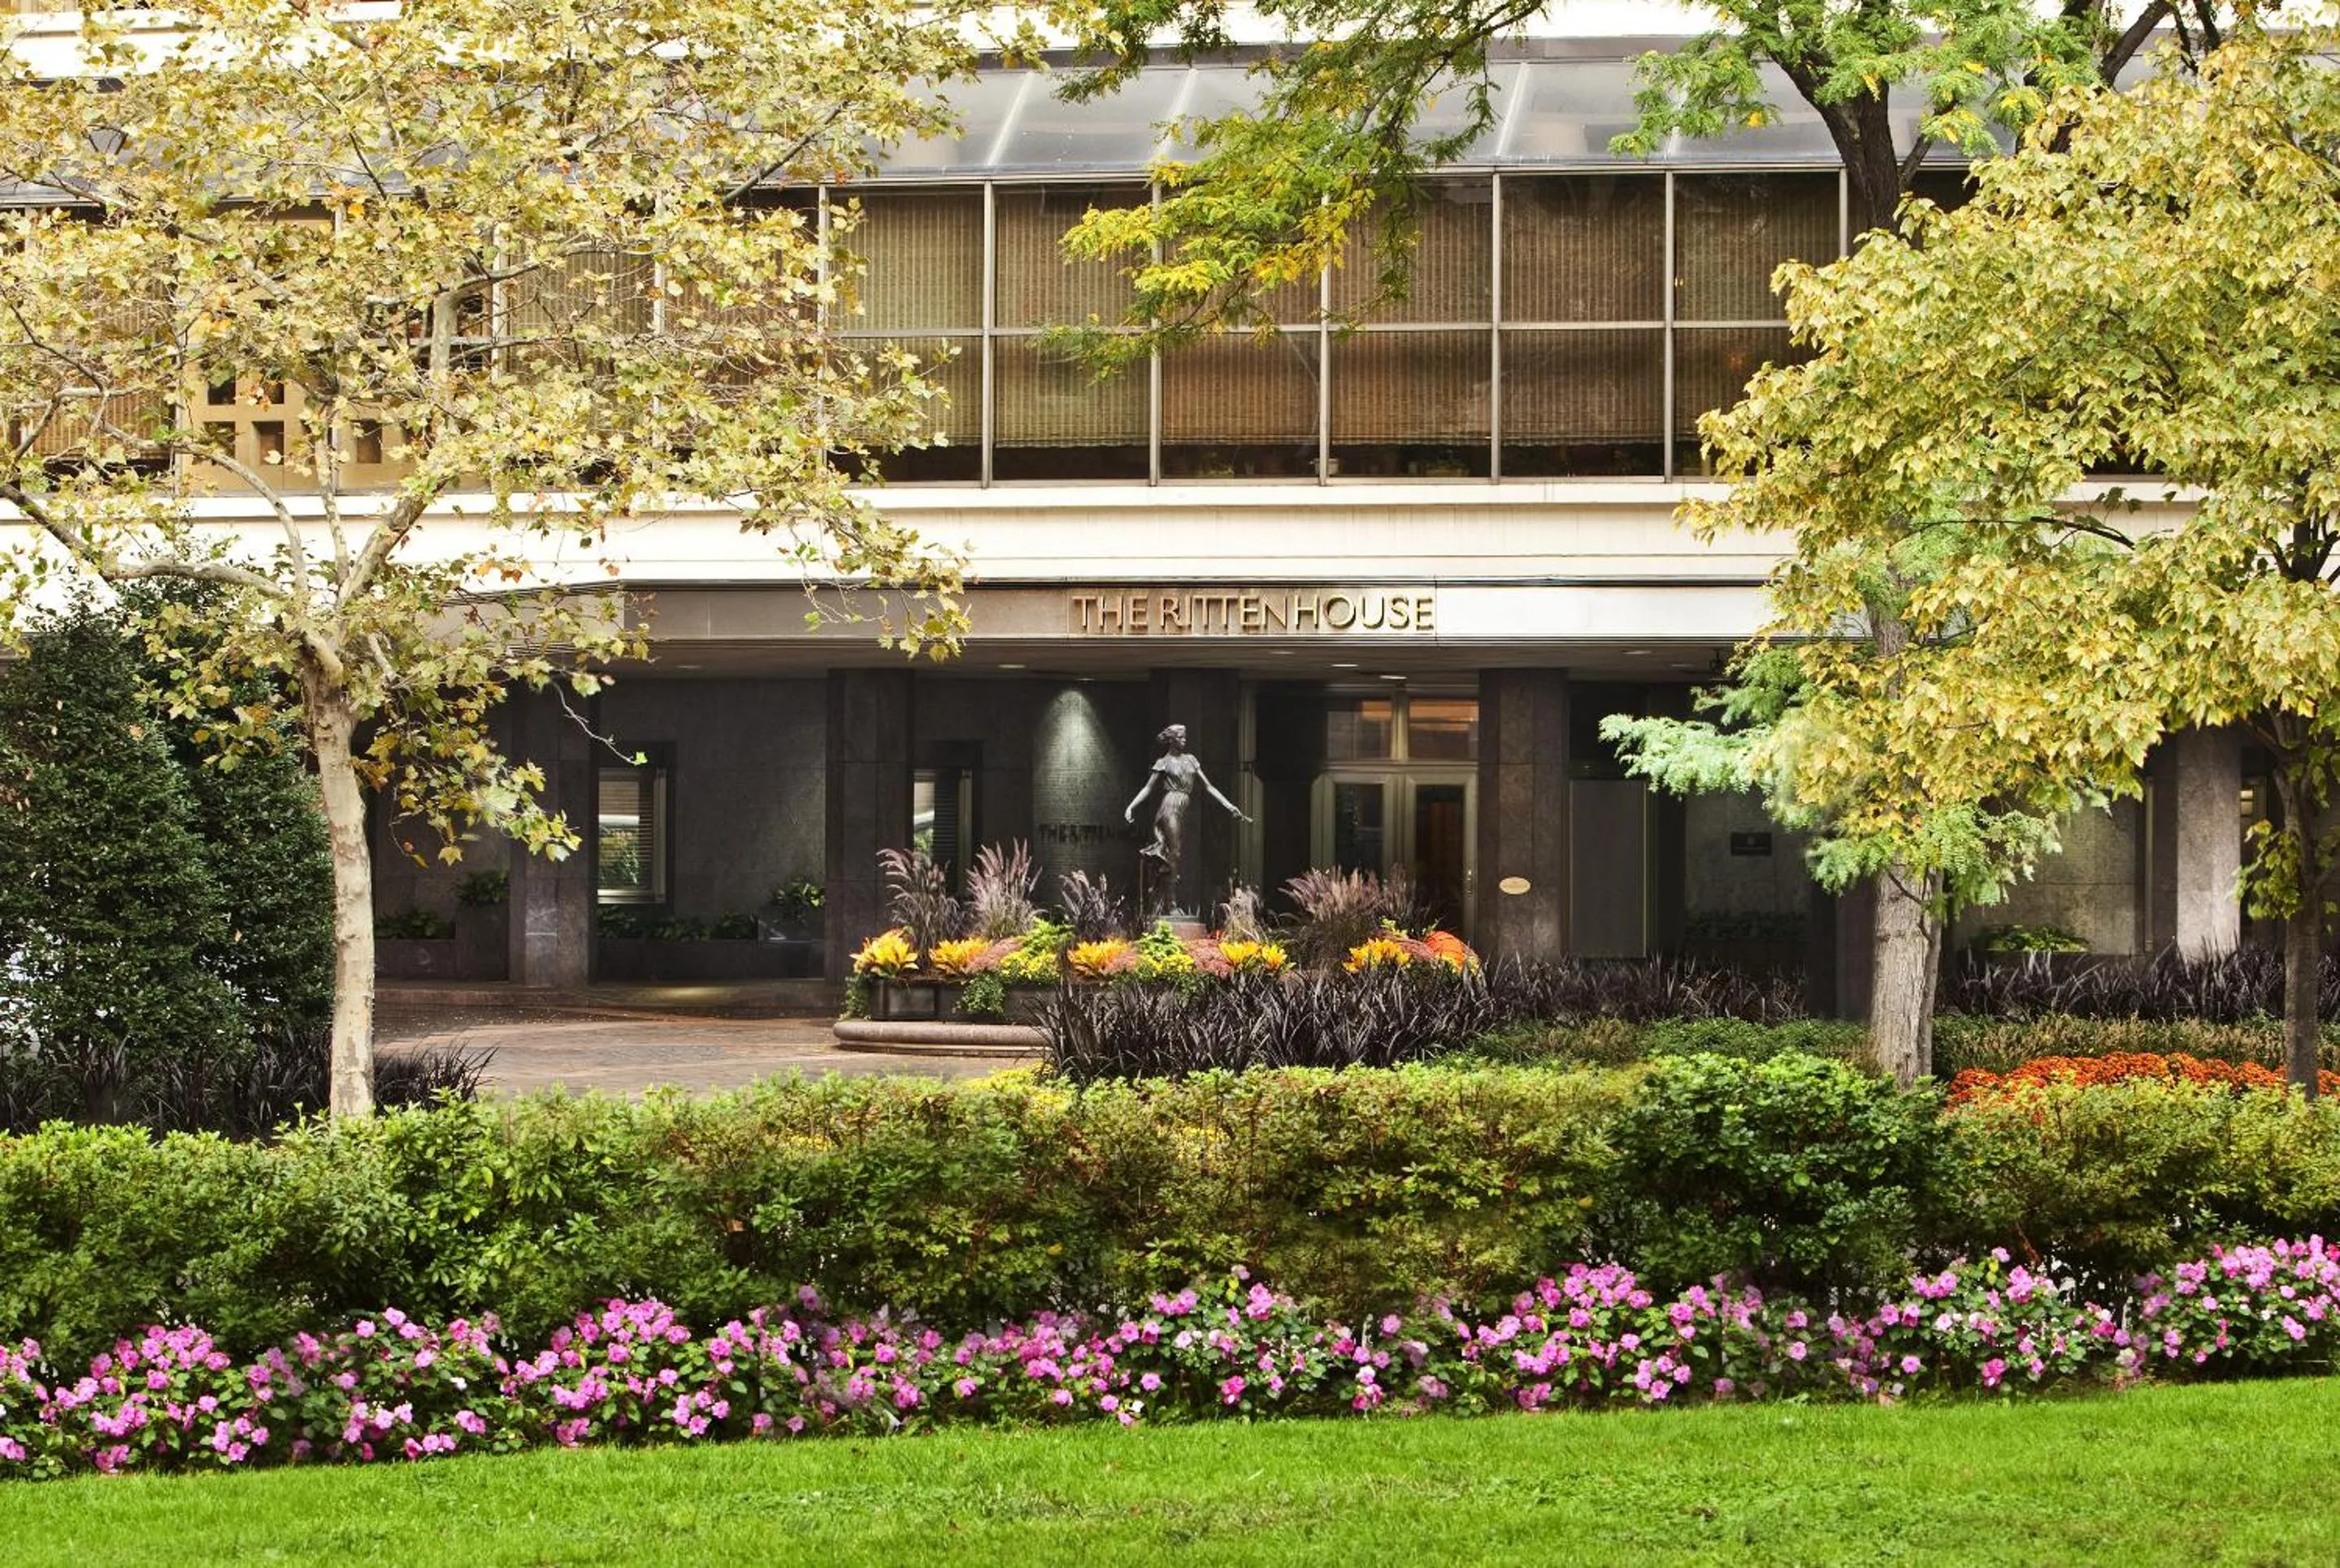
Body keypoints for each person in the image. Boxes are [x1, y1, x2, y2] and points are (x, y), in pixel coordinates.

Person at [1124, 723, 1249, 914]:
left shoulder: (1191, 760)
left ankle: (1170, 901)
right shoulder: (1163, 762)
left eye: (1185, 737)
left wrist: (1229, 806)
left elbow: (1209, 787)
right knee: (1174, 854)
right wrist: (1131, 806)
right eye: (1181, 737)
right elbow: (1148, 788)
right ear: (1172, 739)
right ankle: (1170, 904)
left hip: (1184, 809)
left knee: (1177, 855)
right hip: (1170, 807)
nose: (1185, 740)